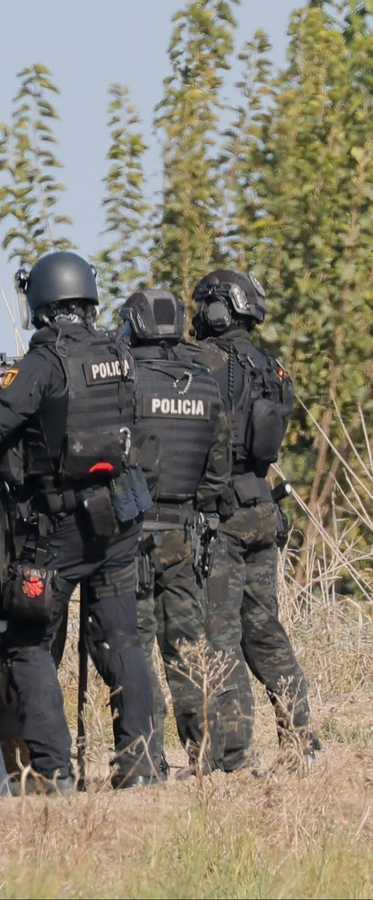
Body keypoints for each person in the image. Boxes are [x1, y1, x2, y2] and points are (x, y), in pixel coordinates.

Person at [0, 250, 159, 792]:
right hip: (117, 521)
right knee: (121, 640)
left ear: (43, 302)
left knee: (28, 644)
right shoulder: (120, 353)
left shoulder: (44, 363)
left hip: (56, 530)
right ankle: (140, 765)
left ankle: (54, 775)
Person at [189, 269, 318, 769]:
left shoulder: (202, 362)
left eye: (202, 306)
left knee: (220, 635)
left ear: (221, 309)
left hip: (220, 514)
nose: (197, 316)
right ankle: (301, 737)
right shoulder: (273, 369)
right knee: (265, 628)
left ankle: (233, 755)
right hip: (262, 507)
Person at [119, 290, 230, 776]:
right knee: (187, 650)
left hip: (131, 536)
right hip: (184, 536)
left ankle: (146, 759)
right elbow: (218, 475)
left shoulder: (124, 383)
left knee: (136, 650)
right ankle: (208, 757)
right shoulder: (205, 386)